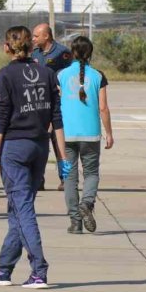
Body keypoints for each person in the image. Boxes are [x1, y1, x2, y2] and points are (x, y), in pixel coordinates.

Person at [0, 26, 66, 289]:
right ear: (31, 47)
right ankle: (4, 268)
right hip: (39, 147)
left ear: (6, 47)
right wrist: (62, 157)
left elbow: (1, 118)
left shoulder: (4, 76)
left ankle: (39, 270)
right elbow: (56, 118)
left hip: (15, 148)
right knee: (18, 209)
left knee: (24, 210)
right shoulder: (47, 73)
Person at [58, 36, 114, 234]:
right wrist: (109, 133)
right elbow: (103, 108)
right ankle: (87, 203)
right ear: (90, 53)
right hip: (91, 133)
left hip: (66, 133)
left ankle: (75, 222)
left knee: (70, 177)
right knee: (91, 173)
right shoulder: (98, 76)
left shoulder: (61, 75)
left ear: (72, 53)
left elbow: (57, 104)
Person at [31, 23, 73, 191]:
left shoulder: (62, 53)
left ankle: (65, 178)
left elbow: (71, 75)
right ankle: (38, 179)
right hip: (38, 103)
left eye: (36, 36)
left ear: (46, 36)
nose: (33, 39)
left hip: (57, 103)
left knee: (58, 142)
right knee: (39, 142)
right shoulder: (35, 53)